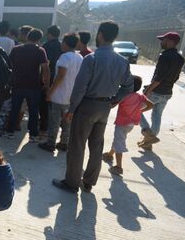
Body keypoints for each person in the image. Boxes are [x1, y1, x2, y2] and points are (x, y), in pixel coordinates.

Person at [52, 21, 134, 193]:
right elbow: (129, 86)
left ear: (100, 34)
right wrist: (115, 100)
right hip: (105, 108)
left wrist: (72, 109)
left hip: (87, 106)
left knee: (77, 145)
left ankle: (72, 182)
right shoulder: (122, 61)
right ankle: (89, 181)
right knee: (96, 146)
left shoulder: (92, 59)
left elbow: (80, 87)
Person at [138, 31, 185, 151]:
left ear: (170, 42)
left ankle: (147, 133)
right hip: (167, 93)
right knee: (157, 116)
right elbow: (175, 77)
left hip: (155, 92)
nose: (161, 42)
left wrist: (148, 90)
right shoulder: (180, 58)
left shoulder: (164, 56)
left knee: (136, 109)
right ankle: (148, 143)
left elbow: (158, 77)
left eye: (163, 40)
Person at [39, 33, 83, 152]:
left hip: (59, 95)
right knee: (67, 121)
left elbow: (60, 76)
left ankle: (50, 143)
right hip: (71, 96)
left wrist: (50, 92)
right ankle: (64, 142)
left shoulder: (65, 57)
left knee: (54, 121)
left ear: (65, 43)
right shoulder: (80, 57)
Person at [103, 75, 154, 175]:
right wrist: (140, 111)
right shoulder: (140, 97)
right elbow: (151, 104)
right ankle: (109, 154)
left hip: (122, 123)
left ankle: (118, 167)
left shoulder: (124, 95)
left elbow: (112, 105)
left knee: (119, 142)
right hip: (131, 124)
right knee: (119, 139)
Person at [6, 28, 50, 142]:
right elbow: (45, 69)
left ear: (27, 36)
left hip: (17, 84)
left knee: (15, 109)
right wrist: (47, 84)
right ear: (39, 39)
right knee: (33, 112)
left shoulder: (16, 49)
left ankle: (9, 132)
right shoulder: (40, 51)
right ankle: (33, 135)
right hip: (34, 86)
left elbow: (9, 66)